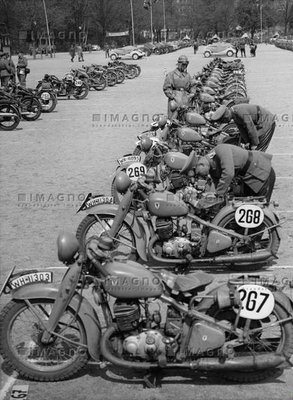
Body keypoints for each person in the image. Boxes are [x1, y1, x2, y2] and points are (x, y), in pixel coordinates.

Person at [195, 143, 275, 202]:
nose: (206, 176)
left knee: (261, 208)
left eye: (203, 175)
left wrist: (218, 195)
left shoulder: (221, 149)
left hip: (261, 171)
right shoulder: (211, 164)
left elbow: (228, 173)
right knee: (247, 205)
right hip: (249, 176)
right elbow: (218, 182)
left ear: (202, 164)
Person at [210, 104, 276, 152]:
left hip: (266, 121)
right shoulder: (234, 114)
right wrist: (247, 142)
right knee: (253, 146)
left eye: (224, 120)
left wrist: (254, 144)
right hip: (259, 122)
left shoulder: (239, 112)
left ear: (226, 116)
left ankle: (262, 167)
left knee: (259, 149)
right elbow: (242, 130)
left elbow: (250, 127)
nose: (226, 122)